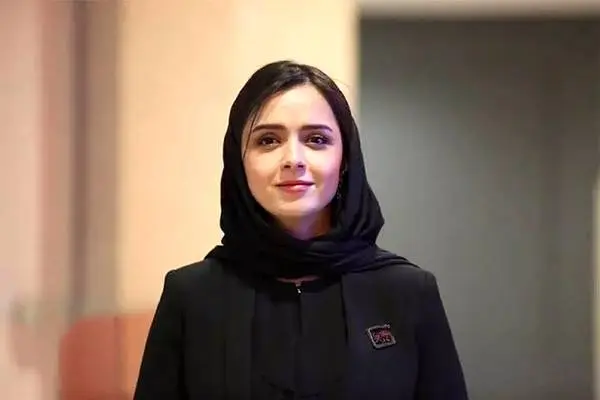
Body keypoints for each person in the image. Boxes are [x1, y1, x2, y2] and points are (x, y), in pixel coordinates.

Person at [133, 60, 468, 400]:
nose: (293, 159)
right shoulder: (191, 296)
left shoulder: (408, 292)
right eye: (268, 140)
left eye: (317, 139)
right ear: (239, 161)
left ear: (345, 158)